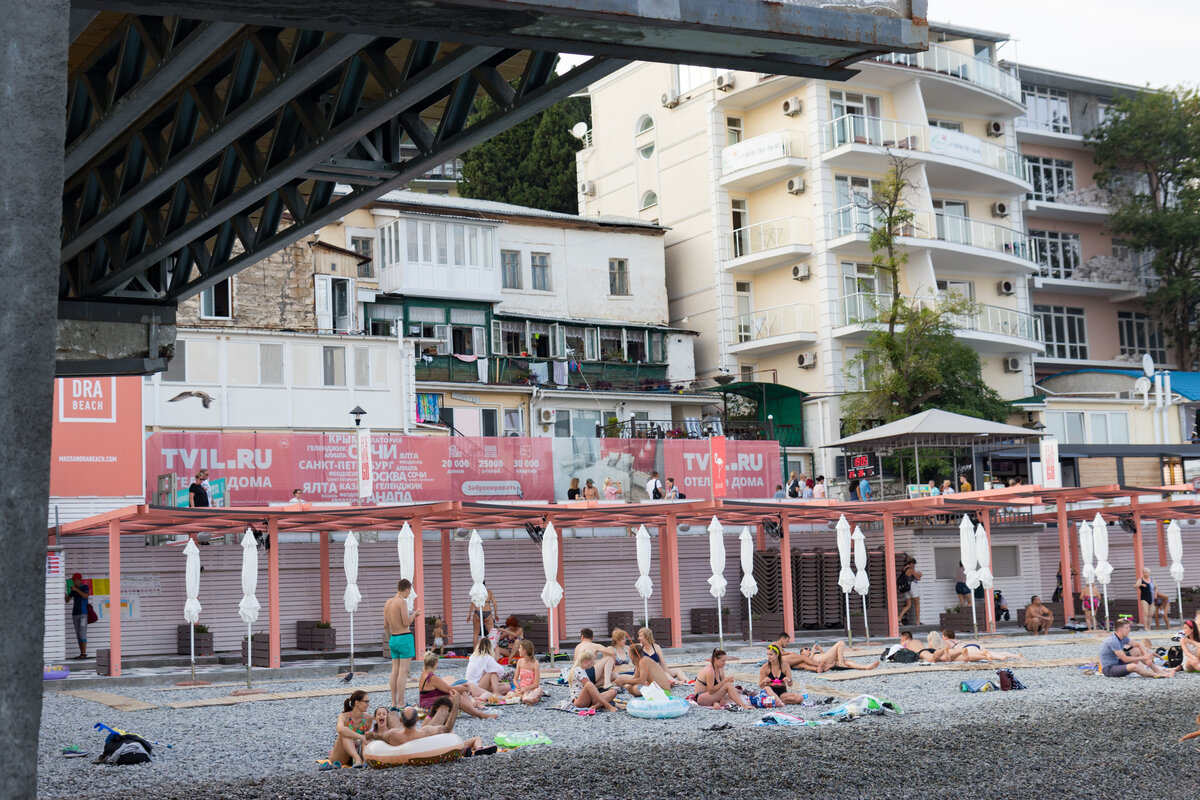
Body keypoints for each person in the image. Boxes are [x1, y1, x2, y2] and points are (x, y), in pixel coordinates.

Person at [417, 652, 498, 719]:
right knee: (457, 696)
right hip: (429, 704)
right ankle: (480, 714)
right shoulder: (432, 677)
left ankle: (473, 712)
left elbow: (445, 689)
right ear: (435, 663)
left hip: (428, 701)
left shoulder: (424, 674)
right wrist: (461, 687)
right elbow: (448, 689)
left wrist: (461, 688)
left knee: (461, 691)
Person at [384, 579, 420, 708]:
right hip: (404, 637)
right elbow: (406, 623)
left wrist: (390, 640)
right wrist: (414, 615)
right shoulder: (402, 602)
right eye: (410, 590)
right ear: (407, 589)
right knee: (403, 671)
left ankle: (393, 702)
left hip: (393, 638)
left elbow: (385, 625)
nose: (409, 593)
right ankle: (401, 702)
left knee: (394, 670)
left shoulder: (388, 603)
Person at [1099, 618, 1175, 678]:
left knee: (1136, 650)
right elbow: (1125, 659)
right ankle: (1155, 674)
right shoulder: (1113, 641)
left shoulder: (1123, 638)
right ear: (1120, 630)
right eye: (1127, 628)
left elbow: (1139, 645)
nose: (1129, 630)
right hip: (1109, 669)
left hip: (1117, 663)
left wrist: (1147, 658)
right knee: (1134, 666)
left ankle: (1158, 671)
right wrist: (1143, 657)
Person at [773, 632, 878, 673]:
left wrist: (820, 650)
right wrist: (813, 652)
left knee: (849, 661)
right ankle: (840, 663)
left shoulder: (803, 658)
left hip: (824, 659)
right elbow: (808, 661)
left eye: (808, 648)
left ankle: (865, 667)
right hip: (821, 660)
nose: (808, 649)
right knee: (841, 642)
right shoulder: (804, 657)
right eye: (806, 649)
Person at [331, 690, 371, 767]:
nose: (368, 704)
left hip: (360, 752)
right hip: (342, 756)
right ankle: (357, 760)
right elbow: (340, 729)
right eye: (366, 702)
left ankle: (363, 760)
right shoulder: (344, 716)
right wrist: (360, 737)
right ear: (357, 703)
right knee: (345, 732)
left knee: (367, 735)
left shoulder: (368, 718)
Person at [934, 629, 1023, 663]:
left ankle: (998, 658)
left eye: (942, 635)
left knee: (981, 655)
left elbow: (941, 649)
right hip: (975, 645)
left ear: (945, 636)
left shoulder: (947, 641)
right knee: (995, 653)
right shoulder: (957, 640)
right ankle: (1015, 656)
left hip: (967, 648)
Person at [64, 572, 90, 659]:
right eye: (73, 581)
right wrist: (65, 592)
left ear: (79, 580)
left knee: (82, 634)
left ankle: (83, 654)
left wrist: (76, 590)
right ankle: (81, 654)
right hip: (75, 614)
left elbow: (85, 596)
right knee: (78, 634)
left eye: (74, 580)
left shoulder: (84, 587)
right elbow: (67, 600)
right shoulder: (73, 589)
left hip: (83, 614)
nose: (73, 582)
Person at [513, 640, 544, 705]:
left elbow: (536, 684)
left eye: (520, 648)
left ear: (524, 651)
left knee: (539, 690)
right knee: (518, 692)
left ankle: (525, 699)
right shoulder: (519, 662)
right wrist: (518, 687)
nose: (518, 650)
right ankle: (527, 699)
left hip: (532, 688)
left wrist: (526, 689)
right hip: (521, 687)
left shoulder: (535, 663)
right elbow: (515, 680)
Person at [902, 558, 922, 625]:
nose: (914, 566)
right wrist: (920, 575)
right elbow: (918, 578)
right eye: (914, 564)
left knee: (908, 605)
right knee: (917, 603)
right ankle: (918, 621)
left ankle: (899, 618)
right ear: (911, 563)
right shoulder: (911, 570)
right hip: (912, 586)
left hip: (906, 587)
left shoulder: (904, 569)